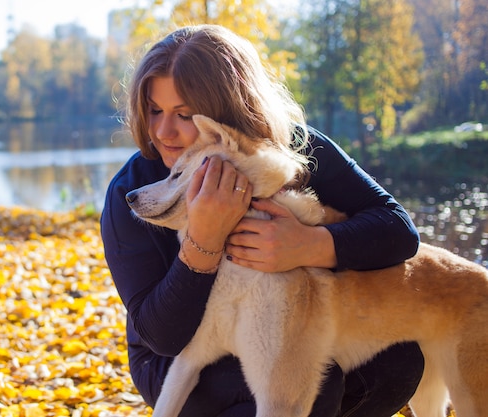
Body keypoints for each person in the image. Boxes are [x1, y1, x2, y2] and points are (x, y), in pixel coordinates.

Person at [100, 24, 424, 417]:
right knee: (305, 385)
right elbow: (161, 337)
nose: (163, 132)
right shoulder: (131, 192)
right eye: (154, 110)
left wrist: (308, 244)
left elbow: (398, 231)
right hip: (178, 356)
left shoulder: (296, 149)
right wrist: (203, 241)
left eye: (184, 114)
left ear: (226, 111)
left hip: (293, 321)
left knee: (398, 360)